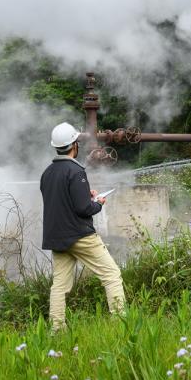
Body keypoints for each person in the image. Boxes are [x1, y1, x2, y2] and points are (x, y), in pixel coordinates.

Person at [39, 122, 126, 330]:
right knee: (111, 275)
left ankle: (57, 330)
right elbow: (83, 209)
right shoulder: (75, 171)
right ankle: (121, 323)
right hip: (79, 236)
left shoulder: (47, 173)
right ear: (74, 145)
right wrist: (97, 203)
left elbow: (61, 201)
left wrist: (84, 195)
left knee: (60, 286)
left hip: (57, 238)